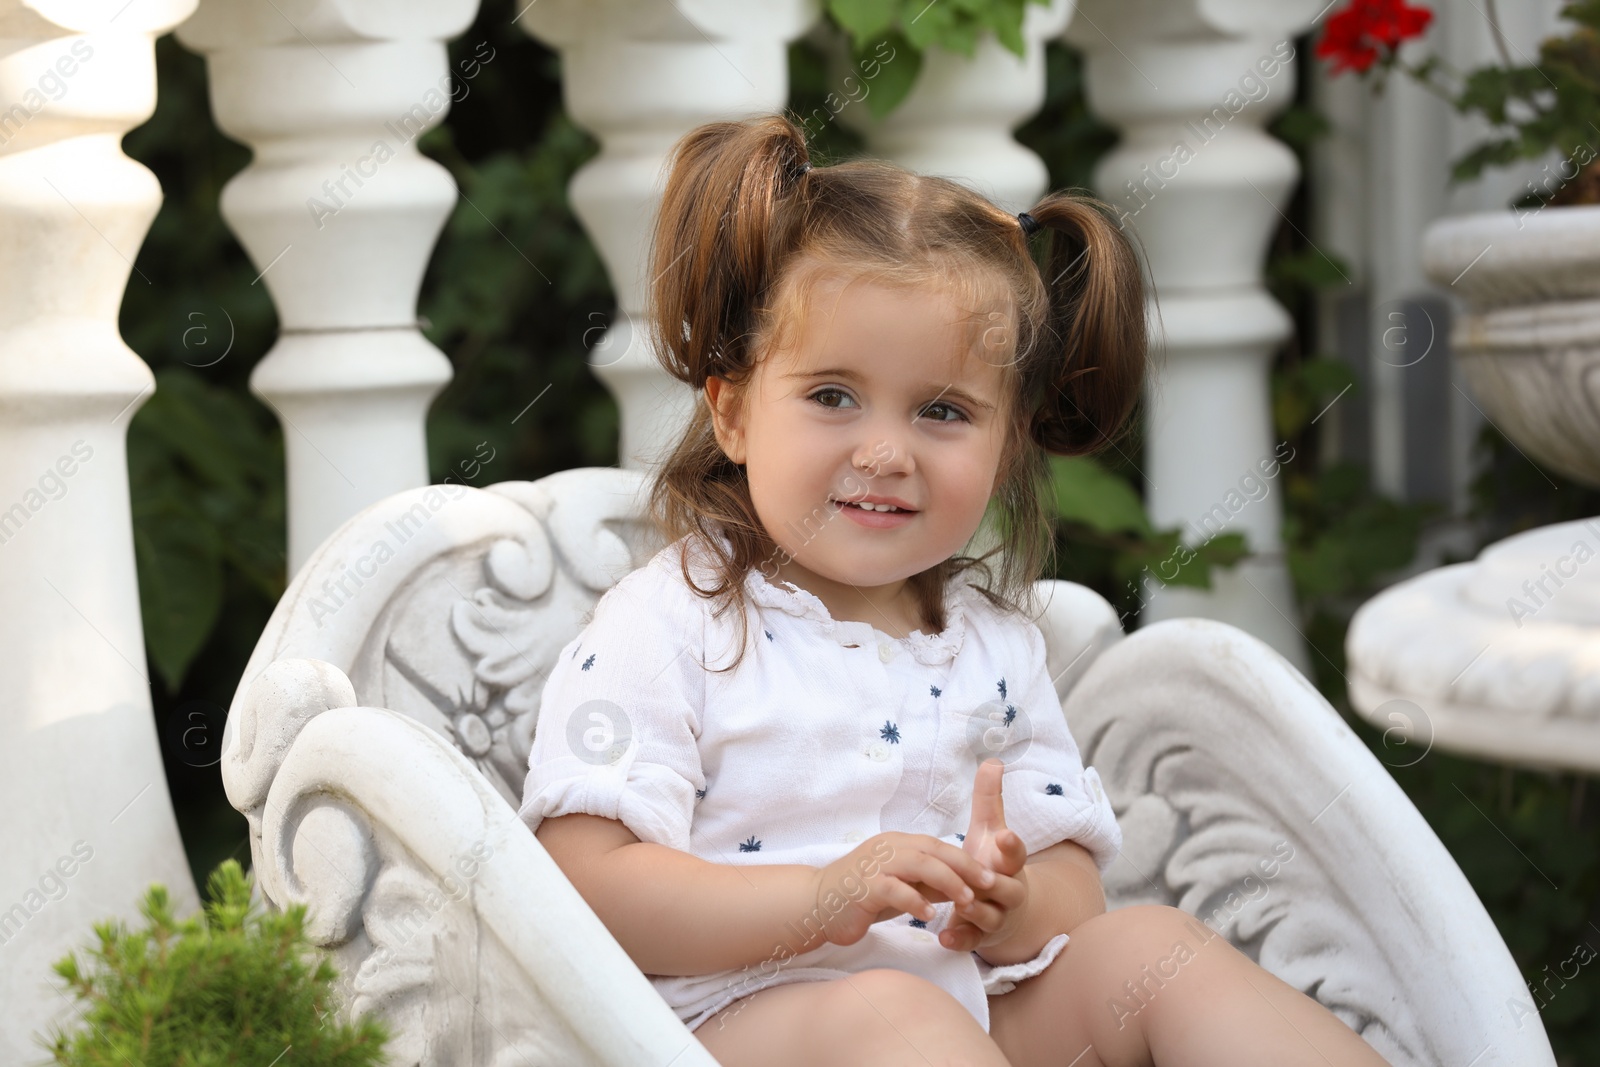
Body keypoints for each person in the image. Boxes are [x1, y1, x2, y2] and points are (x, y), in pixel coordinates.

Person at [518, 113, 1392, 1067]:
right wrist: (820, 901)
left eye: (943, 411)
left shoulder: (993, 649)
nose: (885, 452)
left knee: (1154, 948)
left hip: (967, 1016)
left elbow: (1071, 885)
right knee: (891, 1013)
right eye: (832, 395)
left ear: (1006, 444)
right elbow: (582, 887)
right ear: (731, 410)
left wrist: (1009, 905)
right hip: (742, 1018)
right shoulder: (677, 621)